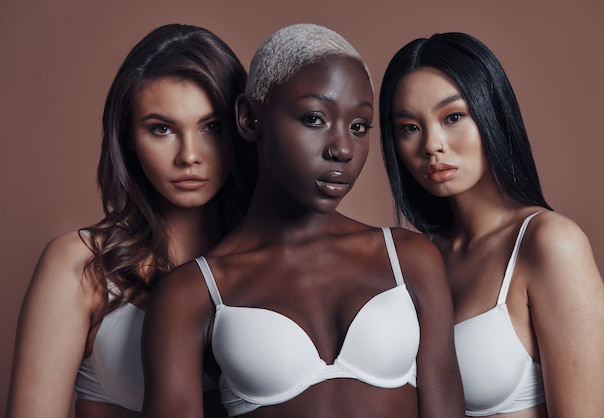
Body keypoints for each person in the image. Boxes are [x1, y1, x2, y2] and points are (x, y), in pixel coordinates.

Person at [141, 23, 464, 418]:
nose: (343, 148)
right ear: (249, 118)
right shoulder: (192, 293)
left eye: (359, 126)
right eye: (314, 118)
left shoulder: (409, 258)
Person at [6, 23, 254, 418]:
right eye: (162, 129)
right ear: (128, 139)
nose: (189, 155)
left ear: (245, 127)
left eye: (211, 127)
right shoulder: (81, 265)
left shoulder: (272, 260)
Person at [379, 32, 604, 417]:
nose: (432, 144)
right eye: (409, 127)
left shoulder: (550, 243)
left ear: (492, 113)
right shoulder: (422, 256)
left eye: (453, 117)